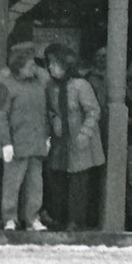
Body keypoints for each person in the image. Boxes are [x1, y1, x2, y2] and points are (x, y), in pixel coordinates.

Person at [0, 43, 54, 232]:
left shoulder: (39, 84)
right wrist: (6, 143)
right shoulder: (5, 85)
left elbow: (44, 112)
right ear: (19, 67)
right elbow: (0, 115)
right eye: (30, 66)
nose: (34, 68)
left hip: (36, 141)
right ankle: (9, 218)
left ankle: (32, 218)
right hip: (16, 142)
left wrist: (47, 136)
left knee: (36, 184)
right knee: (12, 183)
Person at [43, 45, 103, 231]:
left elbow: (93, 111)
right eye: (49, 64)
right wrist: (55, 120)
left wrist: (85, 133)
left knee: (79, 181)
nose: (50, 68)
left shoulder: (80, 85)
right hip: (61, 140)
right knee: (58, 177)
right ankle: (60, 217)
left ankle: (75, 220)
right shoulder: (51, 86)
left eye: (54, 63)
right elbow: (51, 110)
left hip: (80, 139)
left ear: (65, 64)